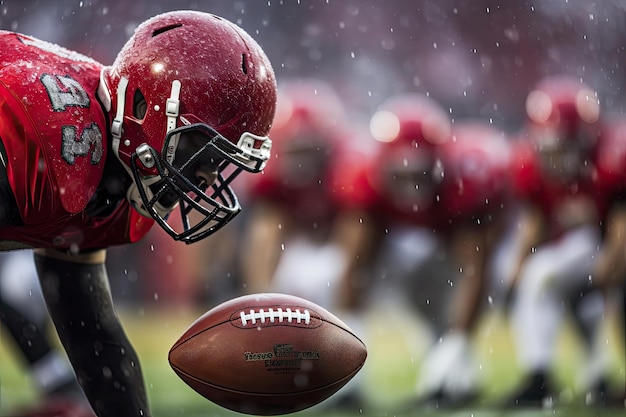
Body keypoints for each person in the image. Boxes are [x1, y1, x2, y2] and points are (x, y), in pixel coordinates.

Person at [0, 10, 277, 417]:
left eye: (218, 162)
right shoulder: (54, 141)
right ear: (141, 108)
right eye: (198, 151)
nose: (205, 177)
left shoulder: (113, 176)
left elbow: (93, 335)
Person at [334, 93, 515, 407]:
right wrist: (345, 344)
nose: (409, 182)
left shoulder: (467, 178)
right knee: (409, 281)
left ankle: (457, 365)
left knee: (487, 282)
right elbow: (354, 266)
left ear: (440, 160)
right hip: (414, 242)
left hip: (481, 242)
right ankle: (445, 368)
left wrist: (459, 342)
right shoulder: (363, 176)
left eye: (417, 170)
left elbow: (476, 269)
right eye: (400, 171)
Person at [240, 78, 371, 408]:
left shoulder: (349, 166)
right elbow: (265, 237)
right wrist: (261, 299)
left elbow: (357, 236)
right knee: (289, 287)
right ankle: (299, 374)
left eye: (309, 148)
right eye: (295, 149)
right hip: (303, 248)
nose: (301, 159)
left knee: (328, 275)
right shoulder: (272, 170)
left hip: (352, 249)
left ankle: (345, 373)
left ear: (328, 144)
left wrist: (344, 288)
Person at [502, 75, 625, 408]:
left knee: (594, 298)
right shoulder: (532, 163)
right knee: (541, 276)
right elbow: (535, 220)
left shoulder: (614, 155)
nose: (557, 153)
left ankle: (595, 377)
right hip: (587, 245)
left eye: (567, 142)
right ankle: (544, 376)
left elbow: (621, 228)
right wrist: (516, 268)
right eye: (550, 143)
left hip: (610, 244)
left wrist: (605, 274)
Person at [0, 250, 95, 417]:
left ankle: (65, 387)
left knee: (14, 292)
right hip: (35, 262)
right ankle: (65, 386)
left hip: (30, 263)